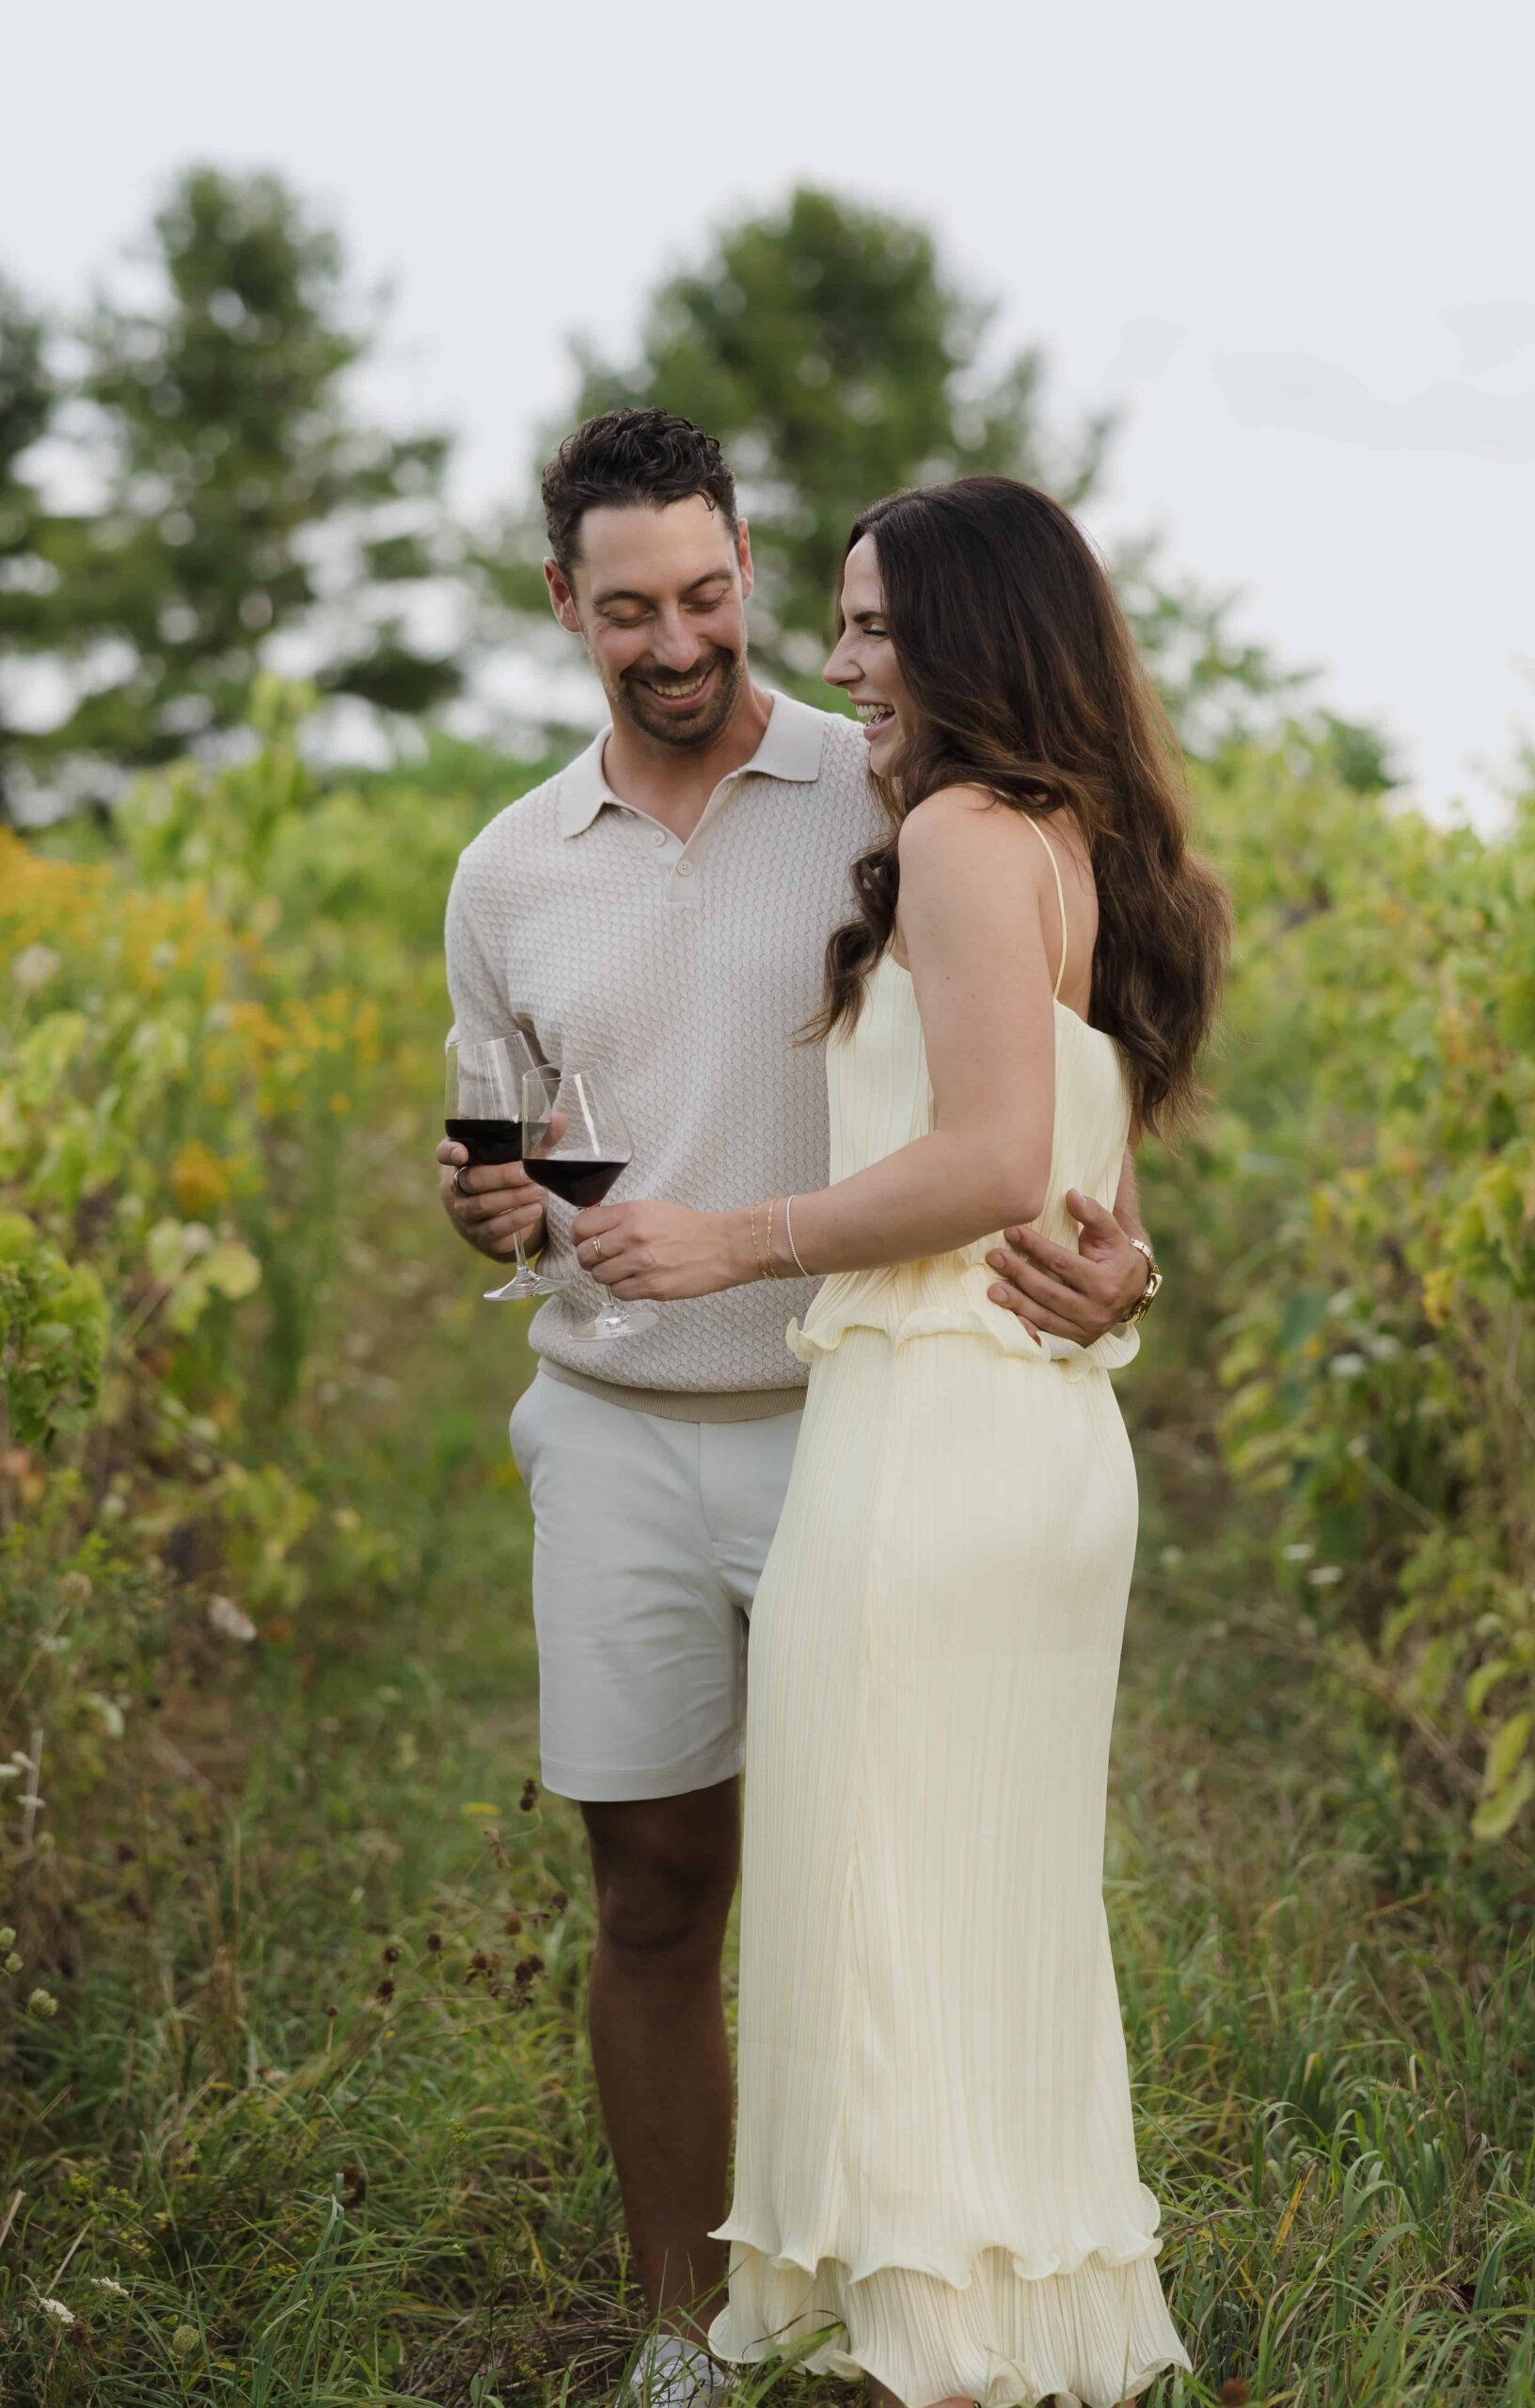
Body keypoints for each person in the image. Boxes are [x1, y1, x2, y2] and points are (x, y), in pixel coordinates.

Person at [438, 414, 1162, 2404]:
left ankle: (890, 2293)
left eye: (708, 594)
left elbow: (1051, 1077)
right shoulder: (503, 871)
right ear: (562, 605)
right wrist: (495, 1197)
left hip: (853, 1414)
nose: (676, 640)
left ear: (743, 566)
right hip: (610, 1419)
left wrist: (1130, 1260)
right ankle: (689, 2325)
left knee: (873, 1872)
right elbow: (502, 1134)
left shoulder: (892, 783)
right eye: (625, 609)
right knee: (654, 1884)